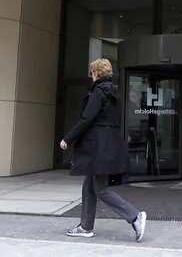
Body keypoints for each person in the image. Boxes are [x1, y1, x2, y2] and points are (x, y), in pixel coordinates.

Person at [60, 58, 147, 241]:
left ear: (97, 73)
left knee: (101, 189)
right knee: (89, 187)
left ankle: (135, 216)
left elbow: (87, 119)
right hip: (107, 144)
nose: (91, 75)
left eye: (92, 72)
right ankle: (86, 227)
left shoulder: (99, 92)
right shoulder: (113, 92)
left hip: (97, 146)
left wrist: (68, 138)